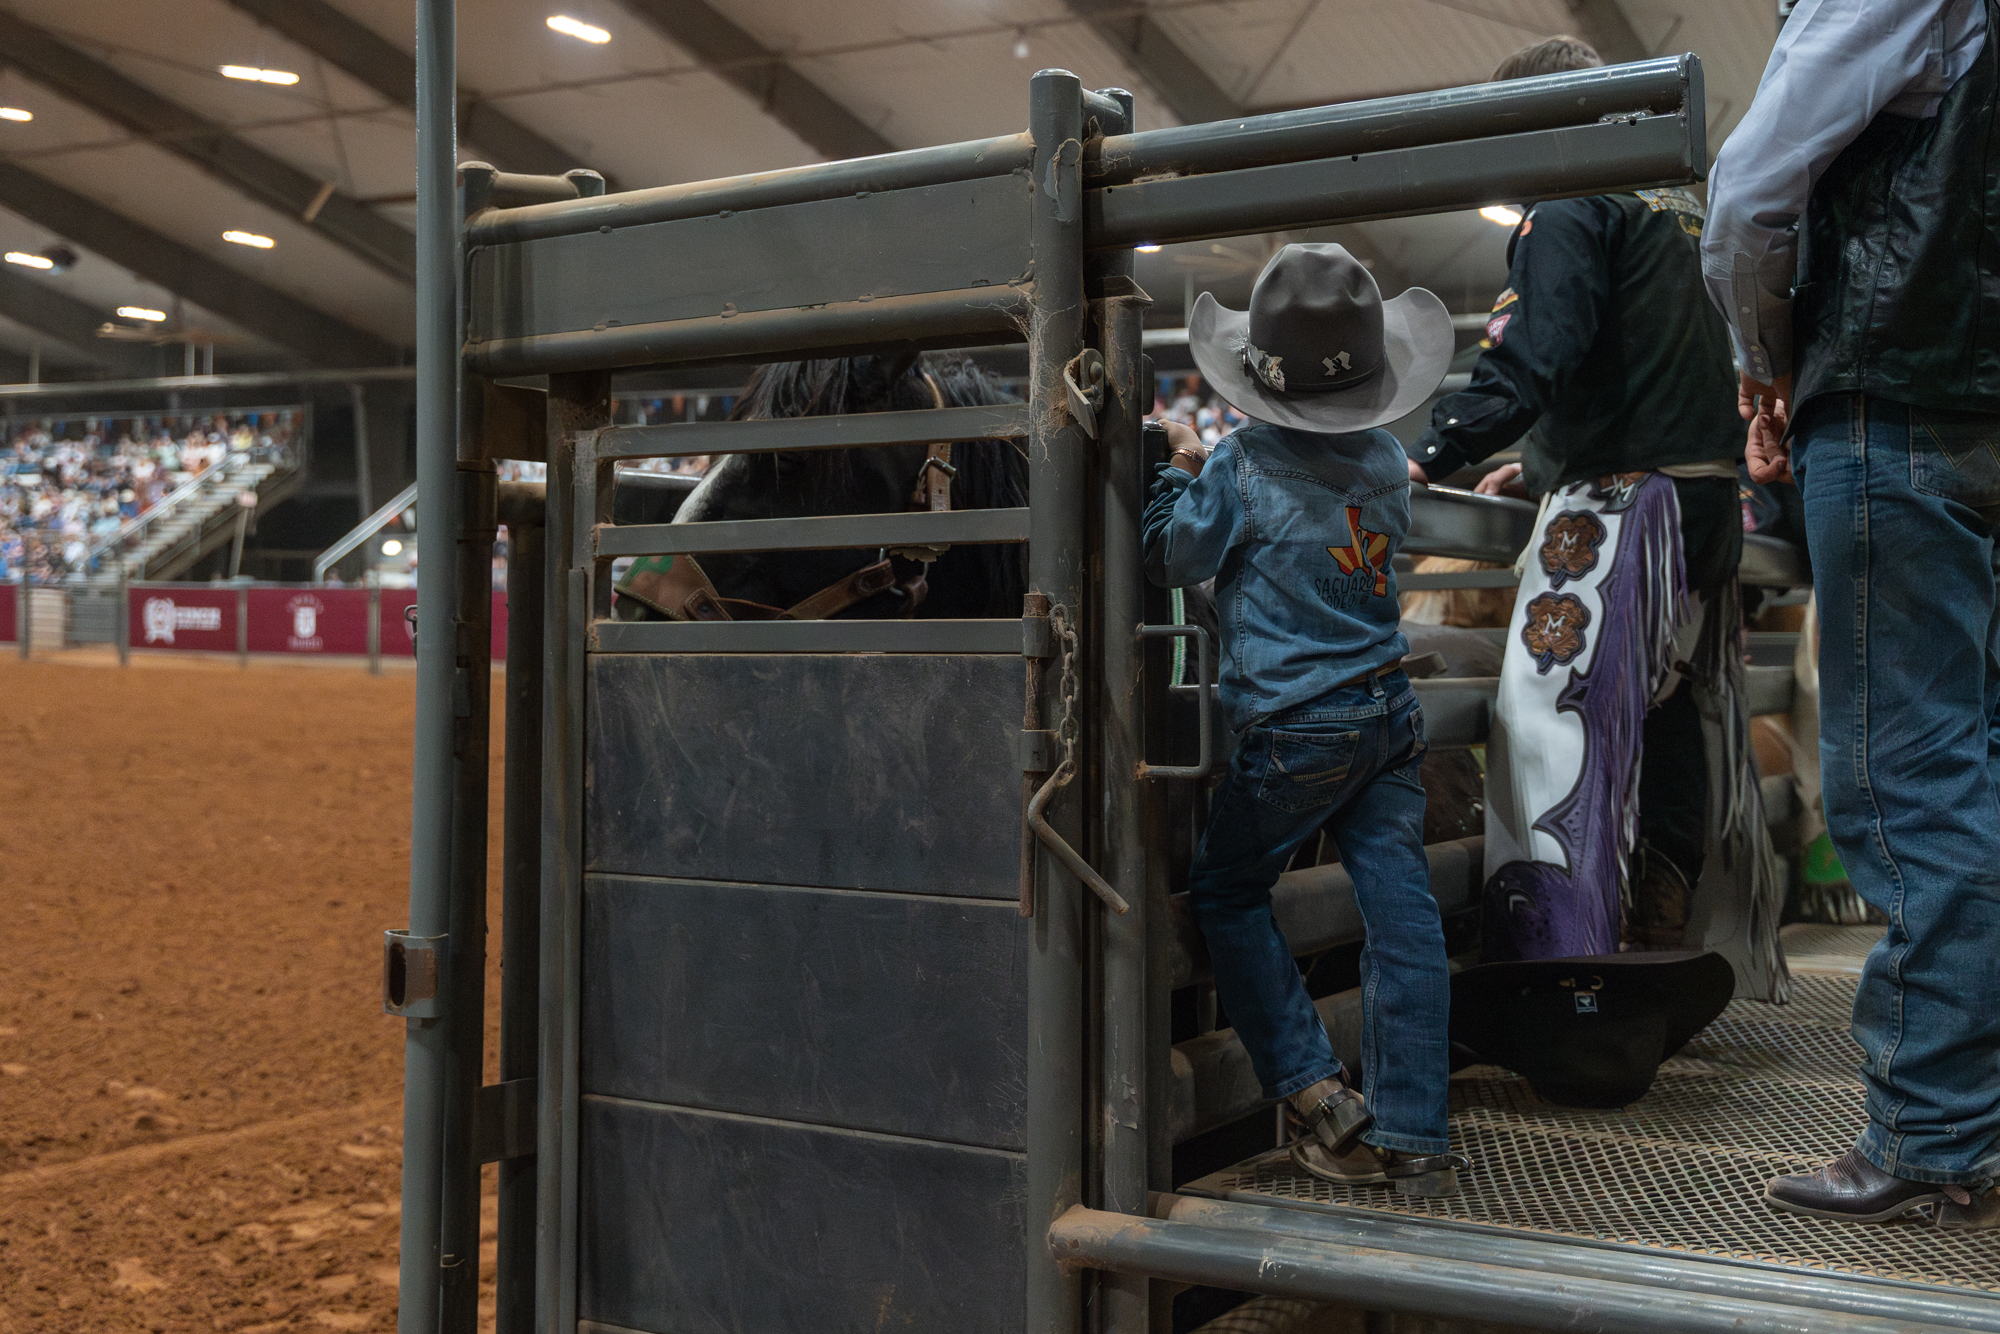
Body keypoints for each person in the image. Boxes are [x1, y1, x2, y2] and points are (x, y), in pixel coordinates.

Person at [1407, 35, 1785, 996]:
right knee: (1664, 713)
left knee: (1552, 718)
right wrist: (1536, 470)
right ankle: (1660, 929)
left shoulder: (1573, 200)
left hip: (1625, 513)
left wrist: (1428, 451)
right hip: (1702, 505)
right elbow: (1644, 358)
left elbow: (1543, 353)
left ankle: (1564, 972)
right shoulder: (1675, 199)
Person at [1704, 0, 2000, 1226]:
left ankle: (1930, 1132)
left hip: (1903, 381)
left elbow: (1748, 193)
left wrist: (1762, 357)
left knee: (1910, 769)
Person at [1143, 243, 1465, 1195]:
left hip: (1294, 726)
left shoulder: (1241, 466)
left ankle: (1319, 1096)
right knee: (1403, 917)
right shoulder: (1389, 463)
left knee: (1230, 892)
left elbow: (1170, 556)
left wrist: (1176, 468)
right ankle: (1416, 1126)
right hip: (1386, 713)